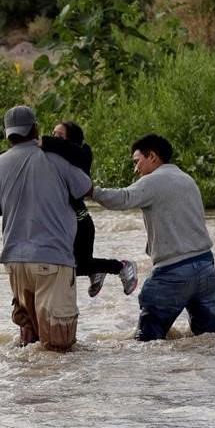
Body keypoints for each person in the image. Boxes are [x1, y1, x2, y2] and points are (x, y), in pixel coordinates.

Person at [90, 134, 215, 341]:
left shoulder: (153, 181)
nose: (136, 169)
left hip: (173, 272)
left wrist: (90, 191)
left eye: (137, 161)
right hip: (206, 268)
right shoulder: (187, 179)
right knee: (207, 339)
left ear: (152, 156)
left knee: (147, 342)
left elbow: (123, 199)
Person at [0, 105, 92, 351]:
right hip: (53, 259)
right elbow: (85, 189)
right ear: (35, 128)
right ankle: (58, 392)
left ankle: (29, 391)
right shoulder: (57, 160)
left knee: (28, 340)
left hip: (15, 262)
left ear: (7, 133)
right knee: (58, 347)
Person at [41, 121, 138, 297]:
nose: (54, 139)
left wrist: (40, 141)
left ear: (72, 140)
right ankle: (97, 271)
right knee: (64, 266)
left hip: (80, 223)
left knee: (72, 267)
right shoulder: (55, 156)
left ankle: (122, 266)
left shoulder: (81, 154)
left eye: (60, 135)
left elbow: (65, 148)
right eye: (53, 134)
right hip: (72, 221)